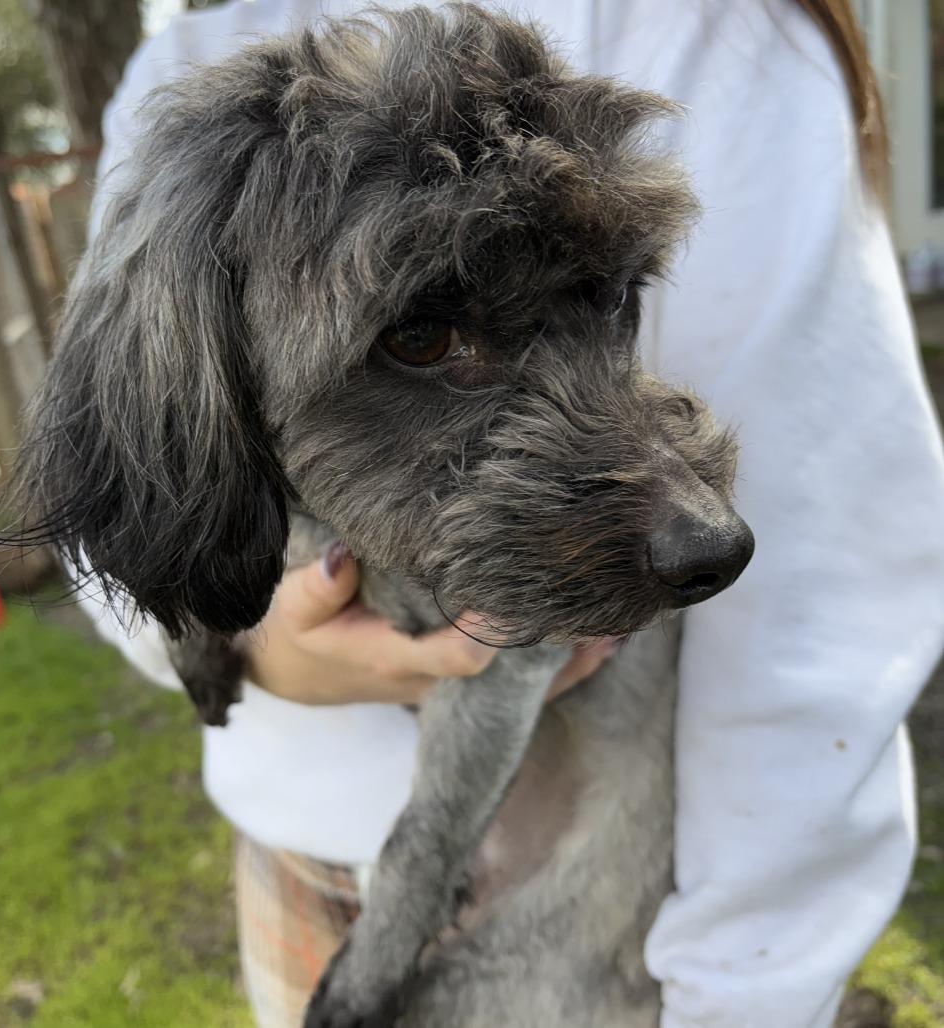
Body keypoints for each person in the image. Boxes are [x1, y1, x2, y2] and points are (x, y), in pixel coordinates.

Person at [80, 2, 944, 1026]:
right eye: (422, 335)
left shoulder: (713, 27)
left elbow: (827, 599)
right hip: (302, 871)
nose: (691, 514)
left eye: (615, 298)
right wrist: (246, 639)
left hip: (631, 914)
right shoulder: (170, 72)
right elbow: (134, 505)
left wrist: (754, 989)